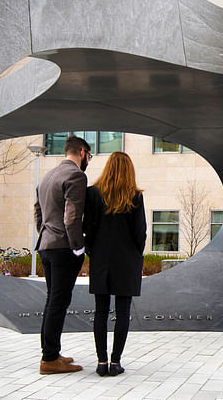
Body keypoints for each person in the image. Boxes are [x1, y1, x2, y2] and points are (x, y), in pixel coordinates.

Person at [83, 152, 146, 377]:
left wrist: (93, 252)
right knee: (123, 312)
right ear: (129, 170)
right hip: (127, 260)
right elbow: (140, 233)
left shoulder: (92, 194)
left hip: (101, 259)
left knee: (100, 311)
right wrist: (136, 255)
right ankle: (115, 362)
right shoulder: (135, 196)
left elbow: (87, 229)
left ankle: (101, 362)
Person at [33, 135, 92, 374]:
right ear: (81, 151)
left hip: (47, 245)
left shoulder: (47, 176)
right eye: (89, 155)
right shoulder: (76, 175)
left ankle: (52, 352)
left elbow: (37, 211)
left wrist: (46, 234)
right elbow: (72, 216)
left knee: (53, 300)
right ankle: (48, 359)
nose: (89, 160)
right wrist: (78, 246)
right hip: (63, 248)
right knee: (58, 301)